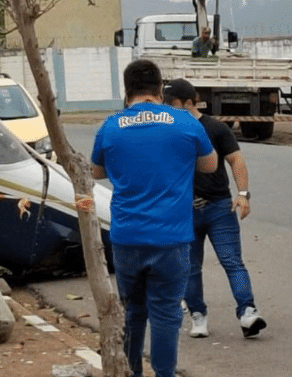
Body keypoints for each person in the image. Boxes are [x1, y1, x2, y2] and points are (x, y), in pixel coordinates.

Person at [91, 59, 217, 377]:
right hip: (172, 239)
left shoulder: (111, 126)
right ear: (160, 90)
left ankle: (130, 370)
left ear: (127, 90)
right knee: (166, 312)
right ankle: (164, 373)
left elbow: (96, 171)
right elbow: (211, 165)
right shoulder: (186, 122)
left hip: (127, 238)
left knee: (133, 311)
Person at [163, 78, 266, 339]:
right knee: (189, 266)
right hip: (184, 211)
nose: (168, 109)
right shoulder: (166, 131)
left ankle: (248, 312)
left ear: (189, 103)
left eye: (173, 104)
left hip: (219, 207)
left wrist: (243, 194)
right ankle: (198, 315)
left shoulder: (216, 128)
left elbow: (236, 159)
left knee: (232, 262)